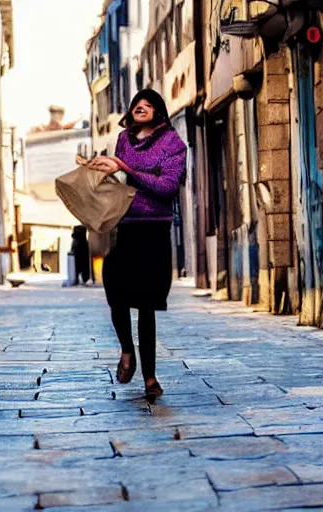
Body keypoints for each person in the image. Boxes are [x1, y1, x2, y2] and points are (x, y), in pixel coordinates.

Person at [88, 89, 187, 401]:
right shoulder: (123, 140)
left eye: (148, 105)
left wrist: (126, 169)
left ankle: (150, 378)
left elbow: (168, 187)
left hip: (154, 229)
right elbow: (118, 183)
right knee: (115, 290)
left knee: (146, 306)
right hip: (125, 226)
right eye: (136, 105)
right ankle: (127, 352)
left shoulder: (173, 143)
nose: (141, 108)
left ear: (158, 111)